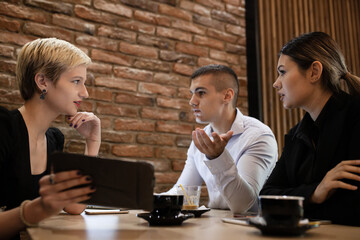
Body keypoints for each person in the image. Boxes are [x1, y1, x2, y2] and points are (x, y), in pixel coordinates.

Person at [0, 38, 101, 239]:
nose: (85, 93)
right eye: (76, 82)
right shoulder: (5, 127)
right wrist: (38, 209)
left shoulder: (54, 139)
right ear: (43, 81)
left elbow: (74, 206)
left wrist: (92, 142)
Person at [260, 32, 360, 226]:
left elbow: (353, 207)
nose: (275, 83)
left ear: (314, 71)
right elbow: (265, 198)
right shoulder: (297, 134)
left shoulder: (356, 115)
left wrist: (300, 200)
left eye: (282, 72)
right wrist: (315, 193)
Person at [164, 64, 278, 214]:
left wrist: (217, 157)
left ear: (227, 96)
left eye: (201, 93)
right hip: (215, 225)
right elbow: (182, 193)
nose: (192, 101)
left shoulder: (258, 135)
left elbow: (244, 206)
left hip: (251, 230)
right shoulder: (202, 137)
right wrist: (143, 199)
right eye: (192, 93)